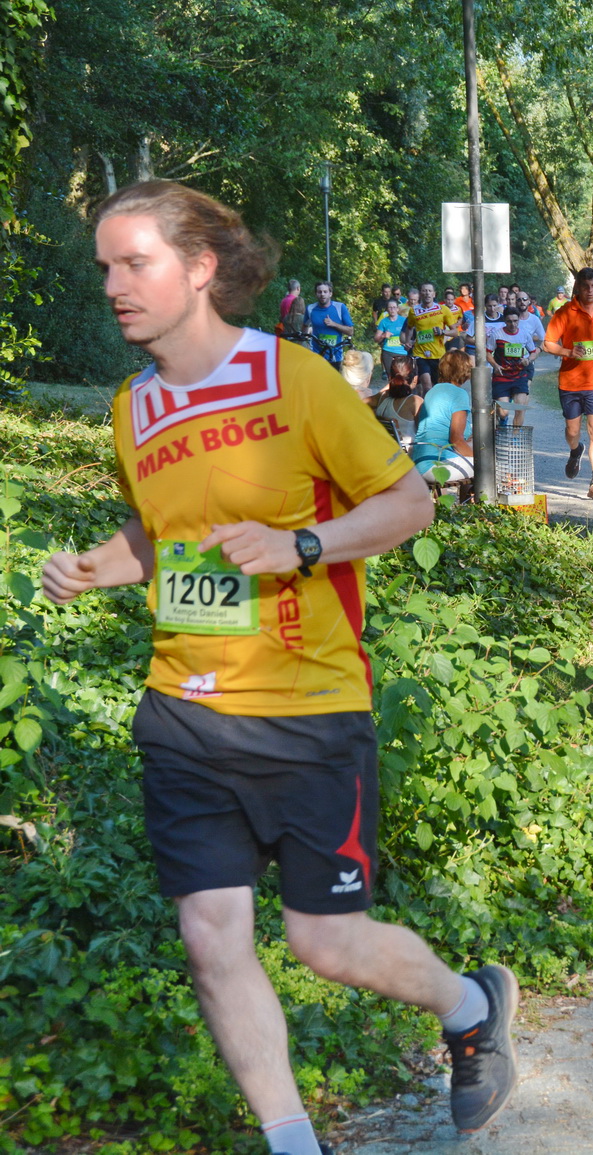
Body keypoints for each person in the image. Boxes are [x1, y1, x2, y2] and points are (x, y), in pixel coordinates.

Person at [43, 181, 518, 1155]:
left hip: (307, 714)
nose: (113, 286)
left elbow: (409, 506)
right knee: (213, 943)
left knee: (324, 942)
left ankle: (470, 1006)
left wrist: (302, 545)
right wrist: (97, 568)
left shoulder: (292, 378)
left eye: (134, 263)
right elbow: (160, 534)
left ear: (201, 269)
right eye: (106, 267)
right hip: (182, 711)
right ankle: (292, 1142)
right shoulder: (133, 406)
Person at [541, 267, 593, 498]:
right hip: (571, 383)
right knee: (572, 431)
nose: (590, 290)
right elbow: (548, 344)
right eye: (585, 286)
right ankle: (576, 451)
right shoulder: (564, 312)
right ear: (577, 287)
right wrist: (568, 351)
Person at [413, 351, 477, 483]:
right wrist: (478, 460)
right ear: (464, 370)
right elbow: (456, 440)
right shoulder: (459, 394)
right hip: (436, 463)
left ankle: (467, 501)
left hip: (419, 460)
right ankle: (478, 502)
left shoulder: (433, 390)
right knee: (489, 466)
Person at [407, 283, 459, 393]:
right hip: (420, 353)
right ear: (421, 294)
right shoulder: (413, 311)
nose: (427, 293)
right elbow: (409, 328)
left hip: (438, 354)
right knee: (427, 387)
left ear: (434, 294)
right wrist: (408, 342)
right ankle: (427, 409)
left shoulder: (443, 310)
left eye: (430, 291)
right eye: (424, 291)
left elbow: (455, 332)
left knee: (438, 387)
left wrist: (443, 332)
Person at [488, 307, 534, 427]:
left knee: (520, 408)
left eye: (515, 321)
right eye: (509, 321)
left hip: (519, 376)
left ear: (519, 320)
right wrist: (495, 365)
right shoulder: (497, 334)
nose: (512, 324)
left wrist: (528, 360)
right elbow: (487, 353)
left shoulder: (524, 334)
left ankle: (515, 437)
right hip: (502, 377)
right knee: (503, 412)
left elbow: (533, 352)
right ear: (505, 321)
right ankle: (502, 419)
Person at [304, 281, 355, 368]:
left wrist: (334, 324)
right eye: (319, 292)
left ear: (330, 293)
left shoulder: (340, 308)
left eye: (325, 292)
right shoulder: (310, 309)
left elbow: (350, 331)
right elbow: (305, 326)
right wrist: (306, 341)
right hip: (317, 355)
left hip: (335, 356)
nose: (322, 294)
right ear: (316, 294)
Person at [374, 298, 410, 379]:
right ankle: (392, 391)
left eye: (394, 307)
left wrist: (407, 341)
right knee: (391, 377)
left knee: (403, 376)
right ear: (387, 309)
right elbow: (376, 339)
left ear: (398, 309)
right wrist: (383, 335)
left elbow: (411, 334)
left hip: (402, 352)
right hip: (388, 352)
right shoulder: (383, 322)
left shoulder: (404, 320)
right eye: (390, 307)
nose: (392, 309)